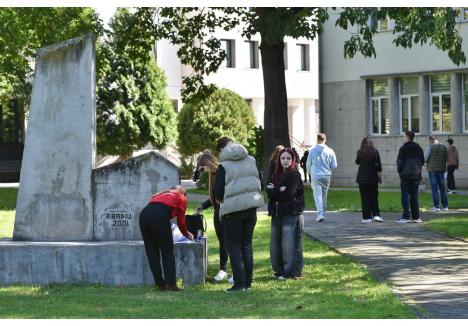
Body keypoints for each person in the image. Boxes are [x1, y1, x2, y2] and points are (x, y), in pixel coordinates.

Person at [213, 136, 263, 292]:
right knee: (246, 245)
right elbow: (259, 180)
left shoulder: (224, 166)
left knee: (233, 247)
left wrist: (220, 199)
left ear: (222, 151)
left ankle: (239, 284)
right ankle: (248, 283)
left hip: (232, 211)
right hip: (251, 208)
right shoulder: (251, 160)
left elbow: (218, 192)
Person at [139, 185, 194, 291]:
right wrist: (186, 234)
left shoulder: (160, 194)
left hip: (144, 215)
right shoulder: (182, 197)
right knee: (167, 251)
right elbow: (181, 221)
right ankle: (171, 284)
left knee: (151, 252)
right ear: (183, 192)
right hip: (159, 216)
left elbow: (155, 208)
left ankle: (160, 284)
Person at [267, 148, 304, 280]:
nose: (285, 161)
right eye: (283, 158)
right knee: (275, 244)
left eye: (288, 158)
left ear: (292, 160)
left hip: (290, 212)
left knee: (289, 243)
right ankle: (279, 270)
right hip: (276, 212)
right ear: (279, 160)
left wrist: (275, 191)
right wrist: (279, 190)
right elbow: (269, 194)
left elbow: (288, 194)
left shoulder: (294, 175)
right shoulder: (274, 175)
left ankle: (291, 271)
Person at [195, 150, 230, 282]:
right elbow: (214, 197)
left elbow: (223, 195)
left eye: (203, 168)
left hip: (226, 211)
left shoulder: (222, 172)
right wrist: (202, 206)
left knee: (229, 242)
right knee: (223, 242)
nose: (203, 171)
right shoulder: (213, 175)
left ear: (209, 163)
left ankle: (232, 270)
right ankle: (223, 269)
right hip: (218, 212)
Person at [306, 133, 337, 222]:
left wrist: (310, 173)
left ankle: (320, 214)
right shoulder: (330, 151)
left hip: (316, 175)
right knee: (324, 195)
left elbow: (308, 164)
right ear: (325, 139)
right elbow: (334, 165)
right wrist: (328, 170)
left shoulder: (312, 150)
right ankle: (323, 212)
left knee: (317, 195)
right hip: (326, 175)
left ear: (317, 139)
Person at [396, 130, 425, 224]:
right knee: (414, 196)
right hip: (416, 175)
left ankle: (406, 217)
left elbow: (399, 162)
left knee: (405, 195)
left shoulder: (403, 148)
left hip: (405, 175)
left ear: (408, 137)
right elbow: (422, 161)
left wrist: (400, 171)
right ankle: (416, 217)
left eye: (403, 136)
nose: (402, 138)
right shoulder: (418, 147)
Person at [355, 137, 383, 223]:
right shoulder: (375, 151)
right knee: (374, 197)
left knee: (364, 198)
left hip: (362, 178)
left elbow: (357, 162)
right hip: (373, 178)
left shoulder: (360, 152)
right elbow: (379, 166)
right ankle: (376, 215)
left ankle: (366, 217)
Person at [424, 135, 448, 211]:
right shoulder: (444, 147)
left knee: (434, 188)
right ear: (437, 139)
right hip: (442, 169)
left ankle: (436, 206)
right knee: (443, 188)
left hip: (432, 170)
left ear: (430, 140)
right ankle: (445, 206)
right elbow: (446, 157)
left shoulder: (429, 147)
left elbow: (425, 158)